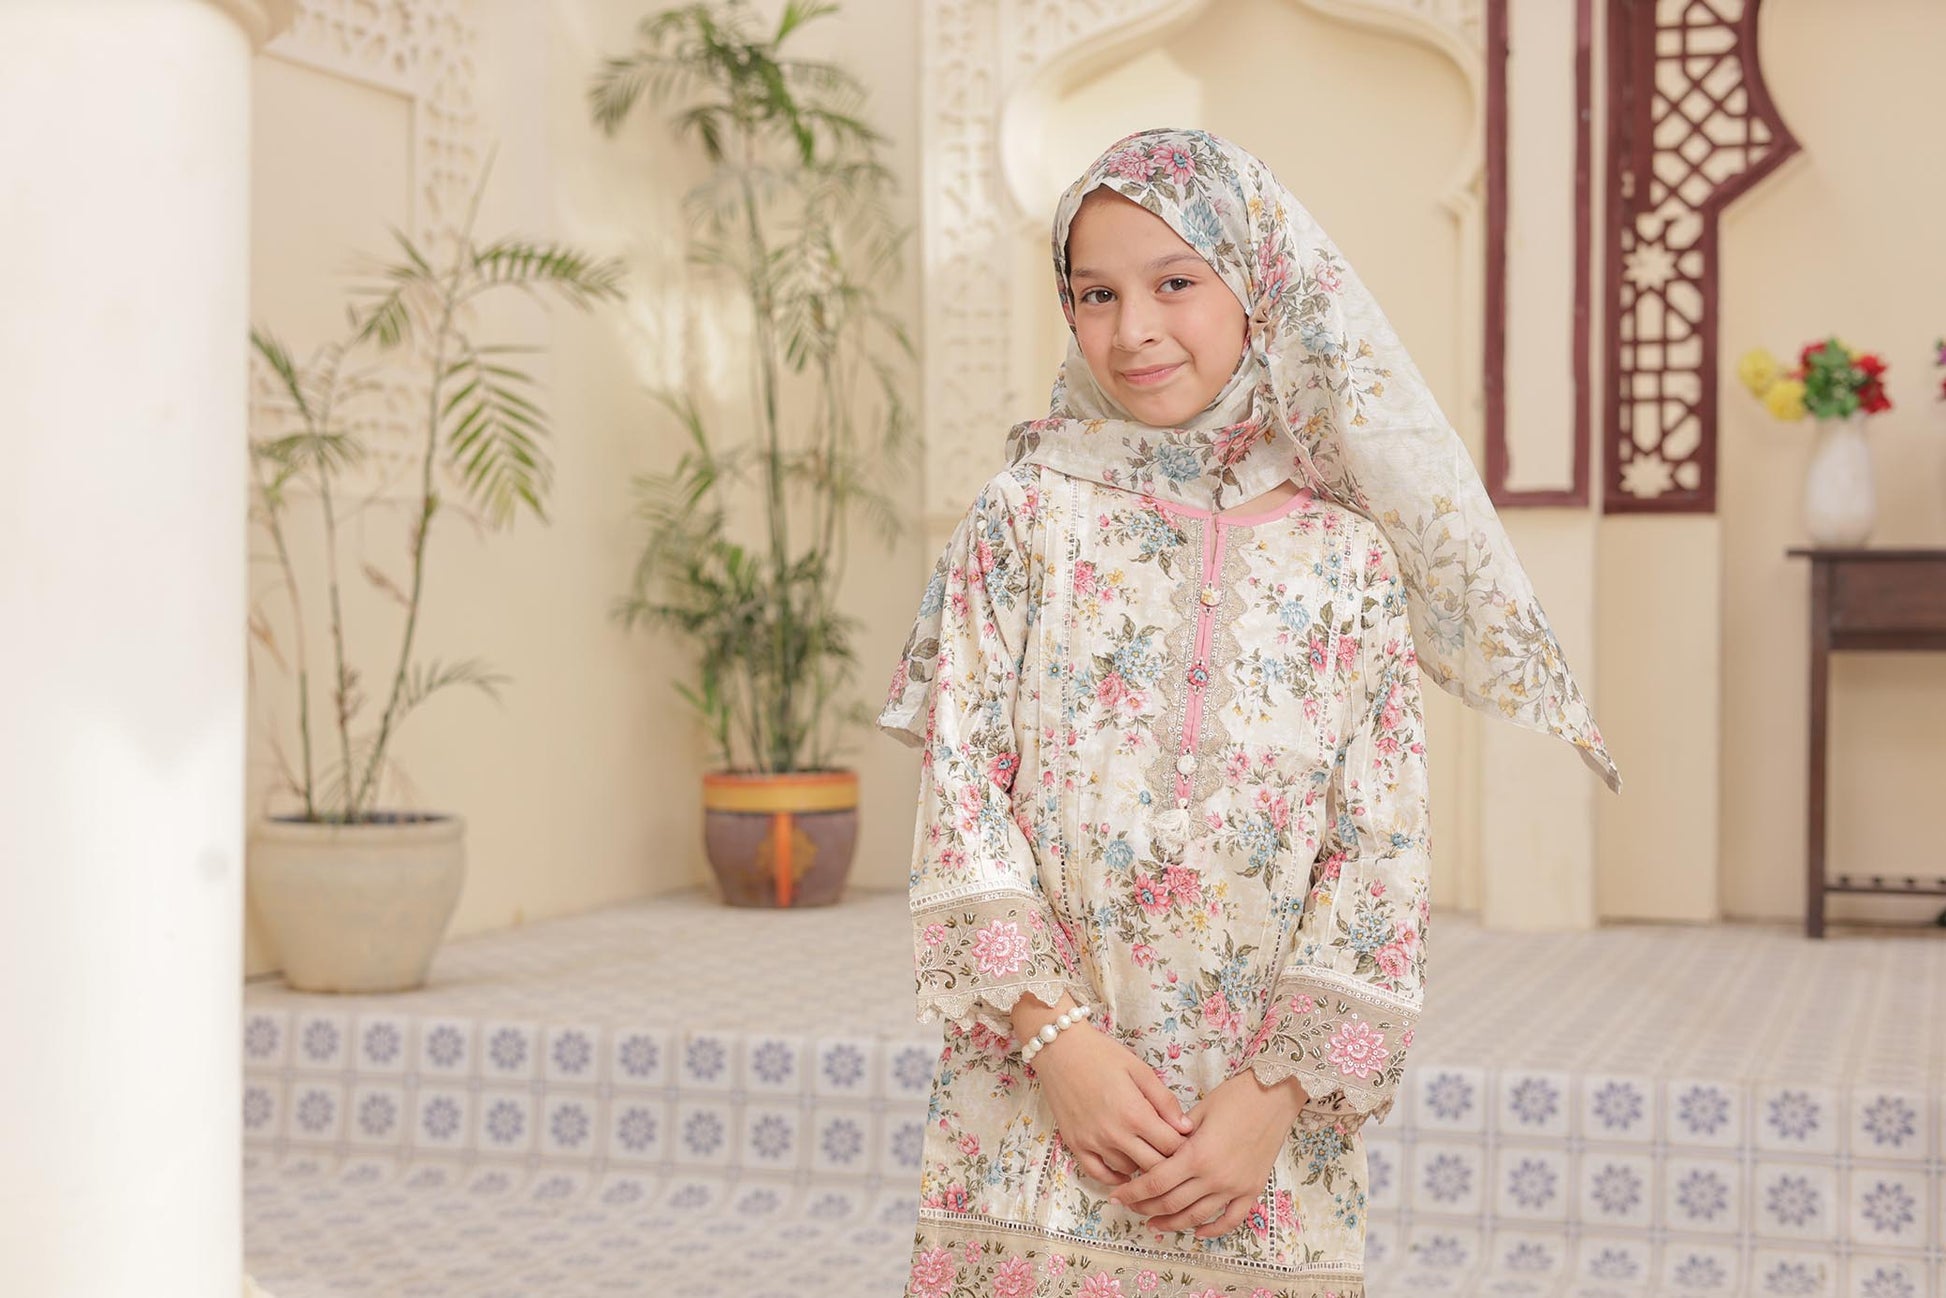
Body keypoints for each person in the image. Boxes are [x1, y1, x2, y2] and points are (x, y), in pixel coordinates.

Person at [877, 128, 1619, 1298]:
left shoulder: (1346, 556)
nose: (1133, 329)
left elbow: (1378, 849)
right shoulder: (1020, 517)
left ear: (1259, 284)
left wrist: (1271, 1097)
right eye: (1094, 294)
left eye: (1175, 281)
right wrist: (1056, 1042)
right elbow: (961, 788)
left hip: (1255, 1128)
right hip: (1037, 1098)